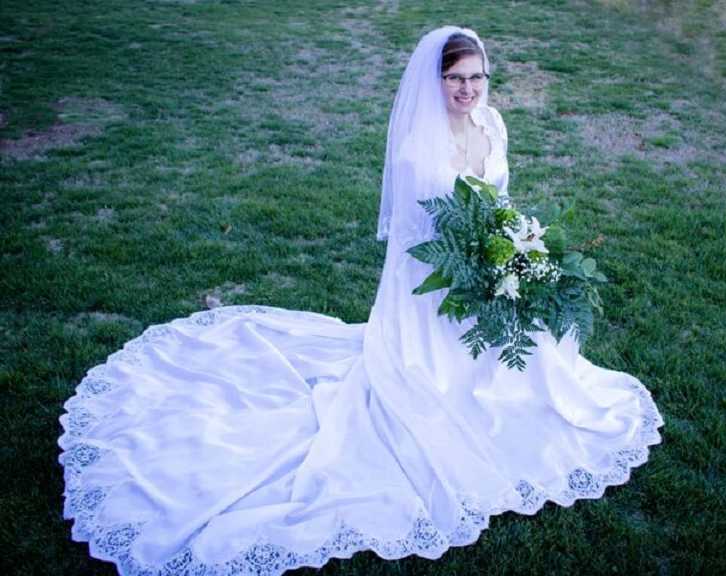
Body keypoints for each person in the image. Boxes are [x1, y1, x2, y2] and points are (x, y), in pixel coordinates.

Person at [59, 26, 664, 575]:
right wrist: (472, 265)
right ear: (435, 80)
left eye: (477, 76)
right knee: (431, 391)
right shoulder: (415, 150)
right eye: (455, 78)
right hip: (429, 282)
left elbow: (498, 198)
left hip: (484, 266)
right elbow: (411, 237)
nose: (468, 89)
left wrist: (508, 248)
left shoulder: (493, 124)